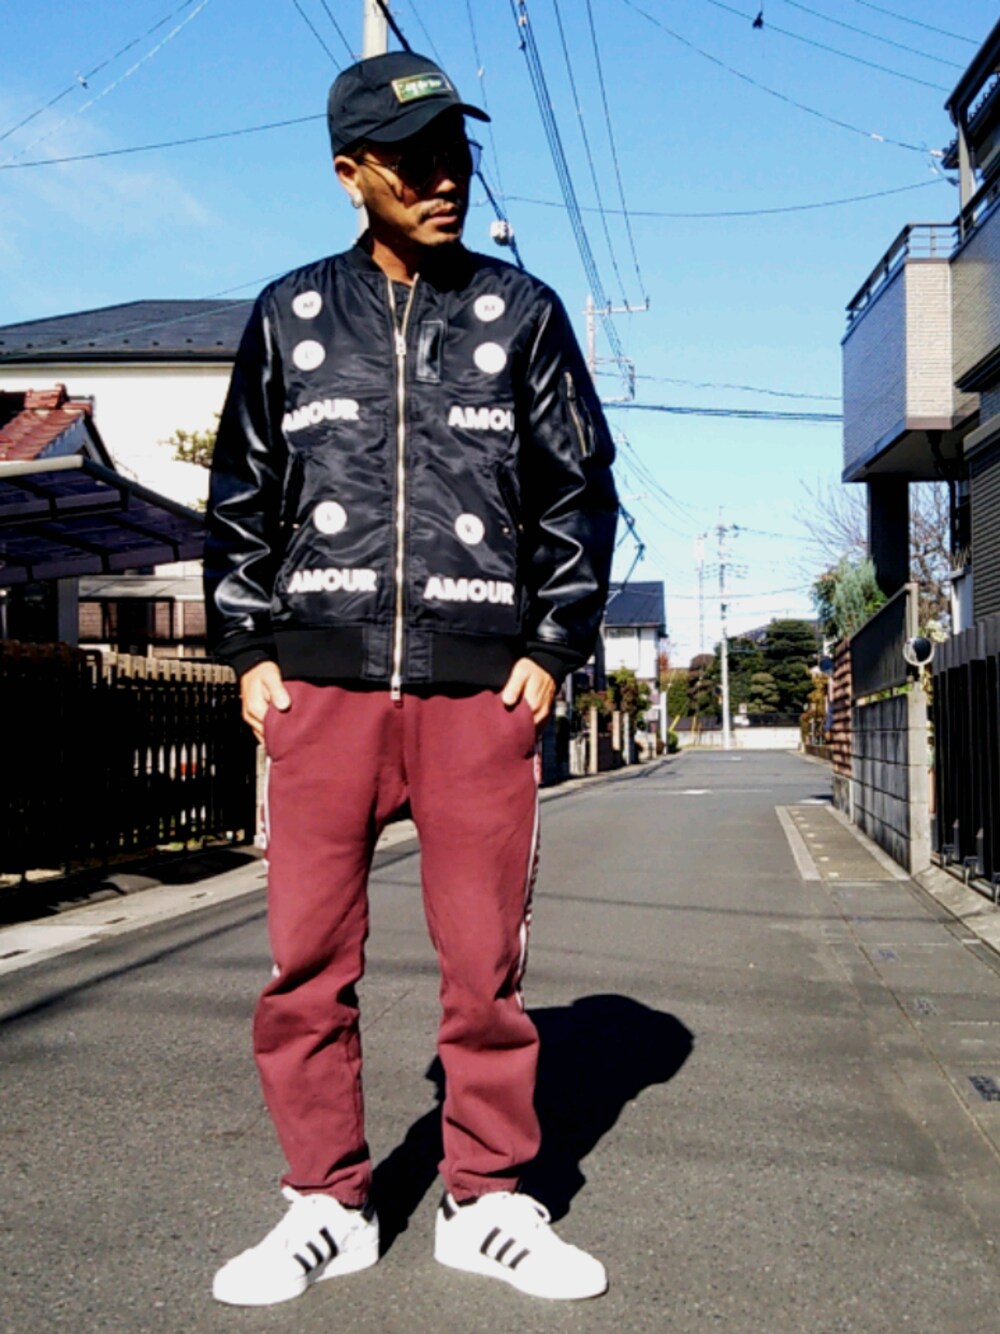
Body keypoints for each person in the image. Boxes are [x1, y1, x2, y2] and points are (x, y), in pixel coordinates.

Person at [204, 50, 618, 1307]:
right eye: (414, 159)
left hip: (478, 688)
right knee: (305, 962)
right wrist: (249, 649)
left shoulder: (519, 312)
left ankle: (485, 1200)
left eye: (457, 153)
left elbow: (575, 490)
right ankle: (326, 1202)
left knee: (484, 962)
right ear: (351, 173)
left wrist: (549, 648)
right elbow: (241, 493)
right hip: (321, 686)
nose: (446, 178)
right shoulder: (290, 314)